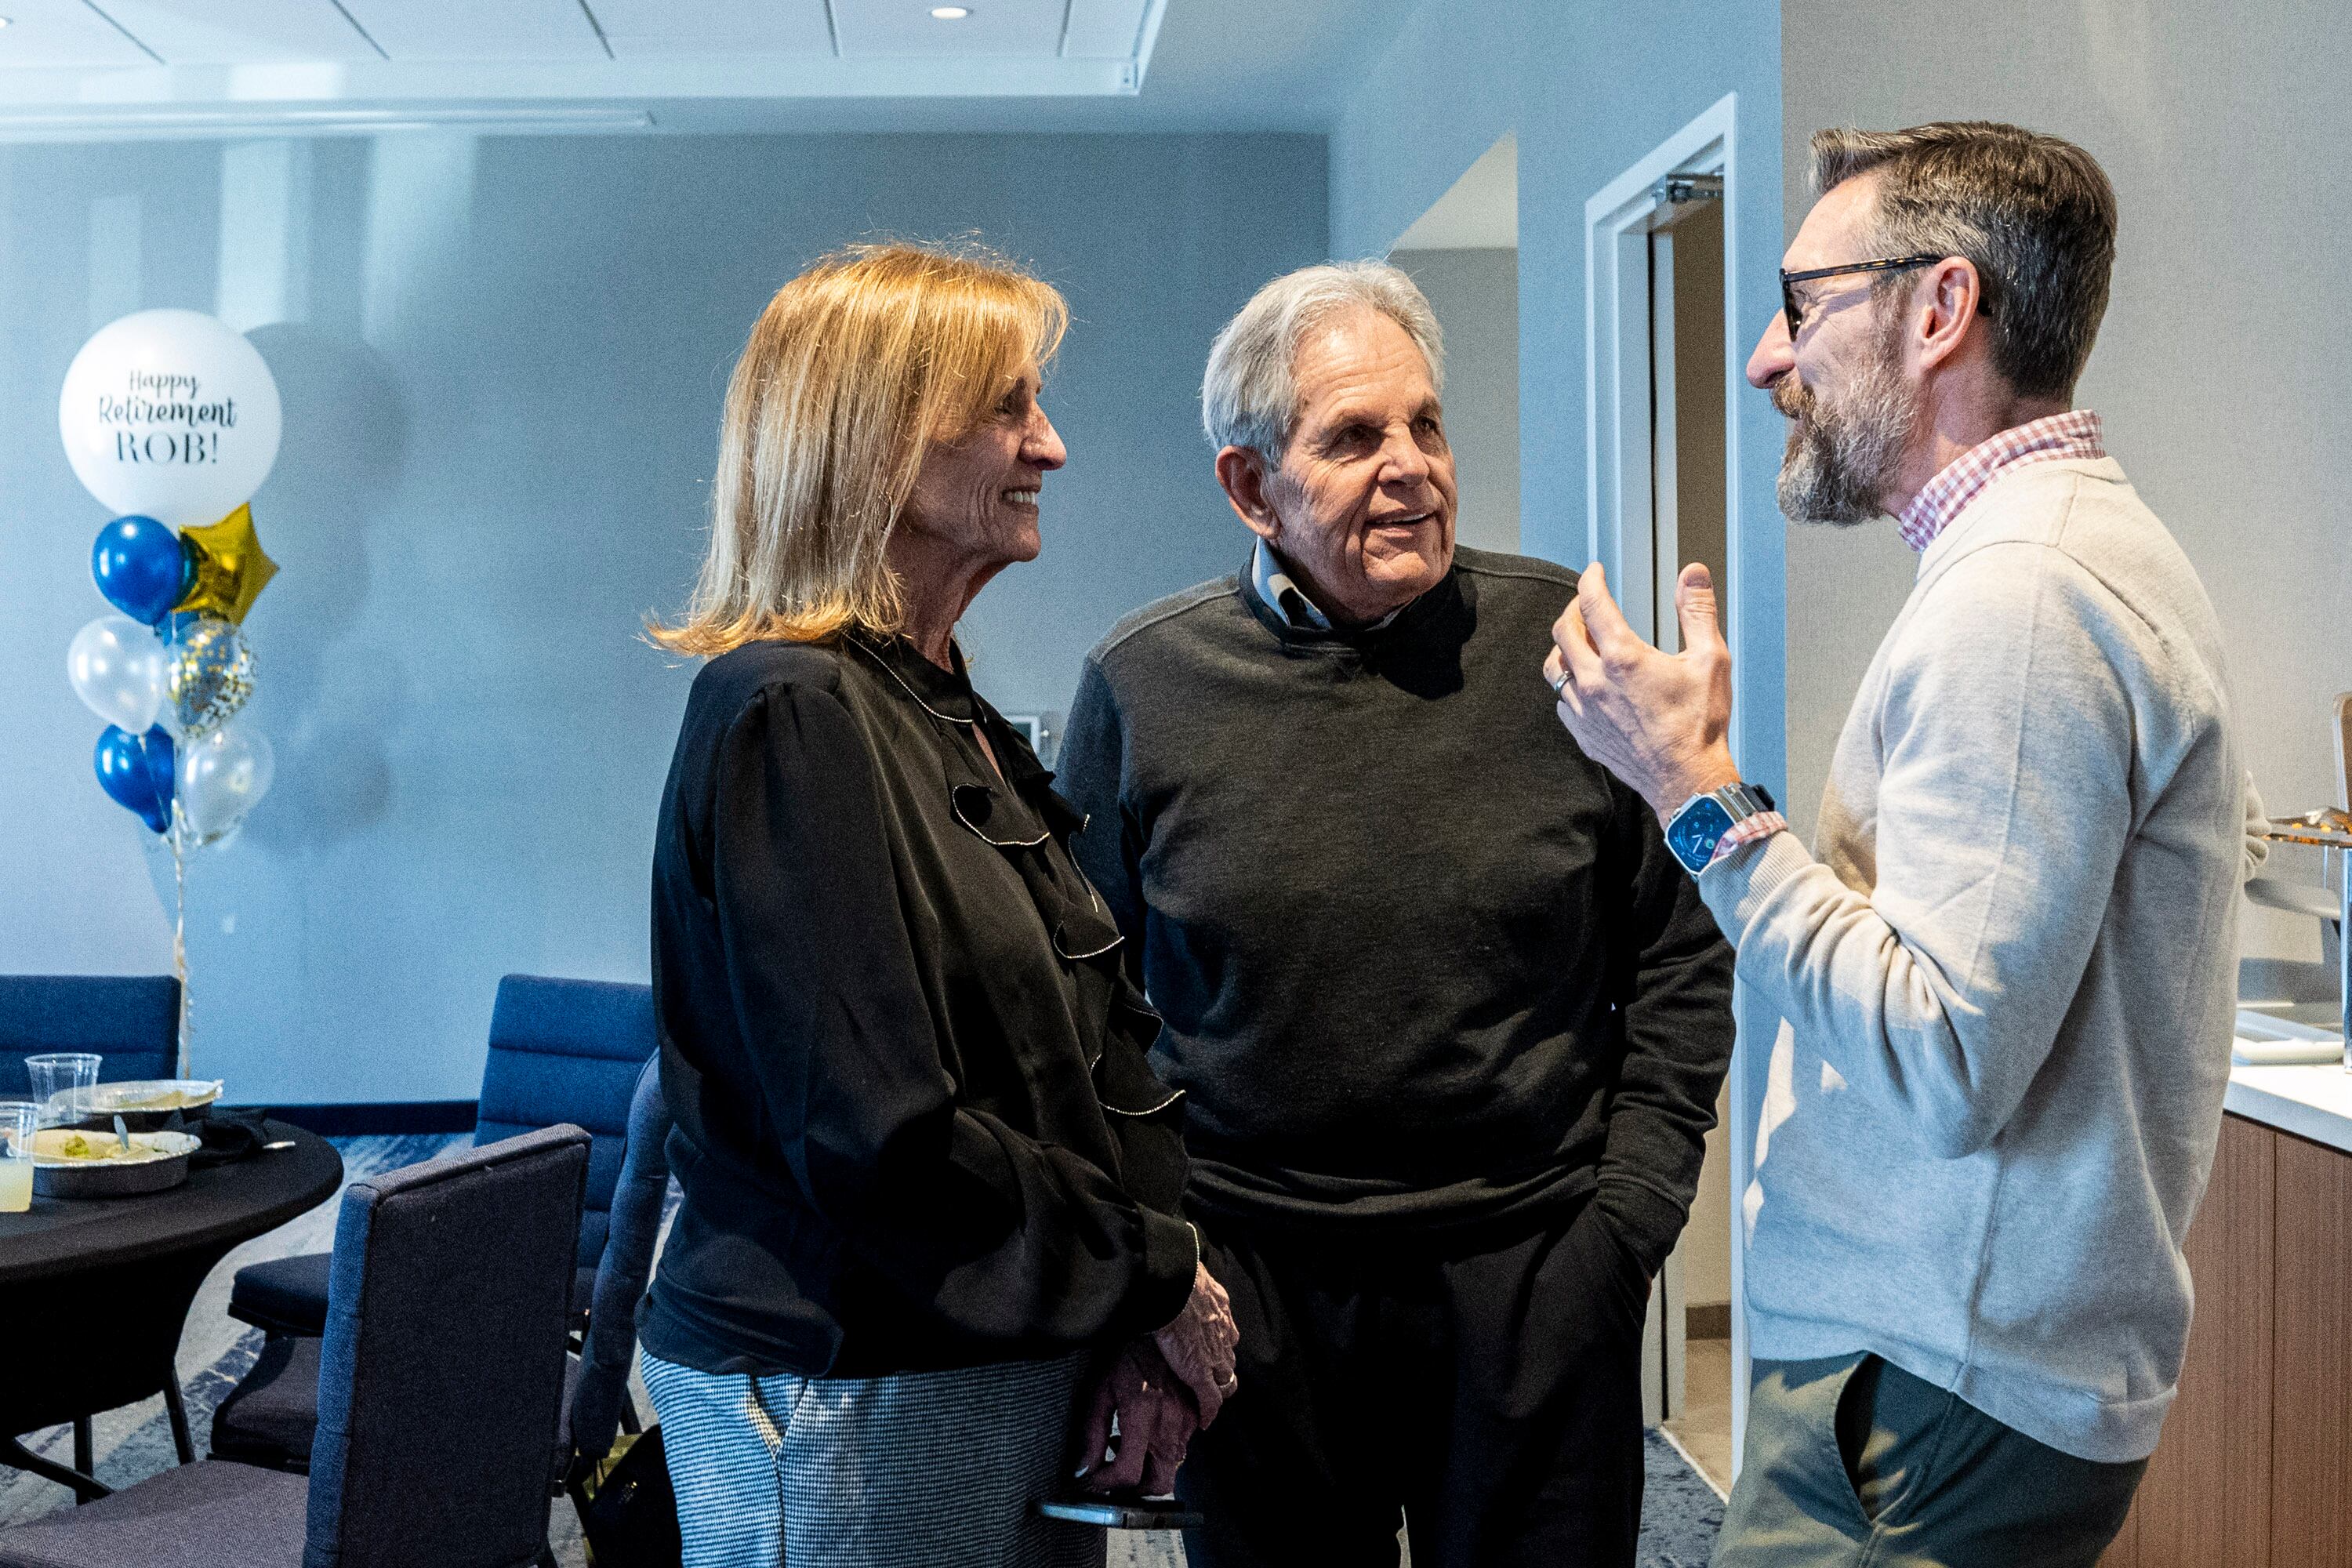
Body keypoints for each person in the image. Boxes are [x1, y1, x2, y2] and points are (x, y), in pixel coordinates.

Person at [1541, 123, 2249, 1567]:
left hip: (1931, 1385)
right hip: (1941, 1363)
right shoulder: (2041, 562)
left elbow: (1942, 1054)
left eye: (1804, 305)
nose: (1764, 359)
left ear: (1939, 311)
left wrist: (1696, 795)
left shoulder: (2028, 596)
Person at [1056, 260, 1735, 1568]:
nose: (1413, 466)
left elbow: (1681, 948)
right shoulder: (1145, 685)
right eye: (1355, 437)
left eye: (1427, 424)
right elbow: (1090, 1018)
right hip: (1255, 1296)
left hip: (1535, 1276)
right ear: (1252, 486)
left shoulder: (1567, 648)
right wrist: (1155, 1276)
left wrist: (1627, 1231)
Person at [639, 242, 1238, 1568]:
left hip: (989, 1363)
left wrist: (1128, 1301)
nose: (1054, 446)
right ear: (878, 441)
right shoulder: (789, 709)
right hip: (844, 1377)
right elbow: (879, 1137)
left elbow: (1068, 1060)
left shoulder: (932, 699)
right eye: (1010, 407)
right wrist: (1146, 1273)